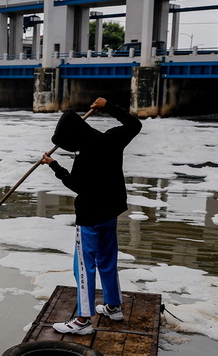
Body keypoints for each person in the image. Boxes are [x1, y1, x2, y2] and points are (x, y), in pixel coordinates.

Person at [41, 97, 142, 335]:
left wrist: (54, 166)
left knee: (84, 267)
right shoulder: (111, 139)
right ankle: (113, 306)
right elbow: (134, 125)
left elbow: (77, 185)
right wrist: (108, 106)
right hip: (111, 212)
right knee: (107, 260)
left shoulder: (85, 156)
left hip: (90, 218)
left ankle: (82, 320)